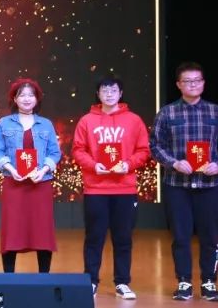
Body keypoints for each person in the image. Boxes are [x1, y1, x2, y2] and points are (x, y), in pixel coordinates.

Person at [151, 62, 218, 302]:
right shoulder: (167, 113)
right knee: (180, 236)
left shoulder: (217, 112)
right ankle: (184, 282)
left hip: (209, 186)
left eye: (197, 80)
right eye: (187, 81)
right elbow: (155, 145)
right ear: (179, 85)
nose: (193, 85)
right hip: (177, 185)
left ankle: (209, 282)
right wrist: (174, 162)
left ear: (203, 83)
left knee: (210, 236)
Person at [72, 76, 150, 300]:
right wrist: (94, 165)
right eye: (104, 90)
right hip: (96, 189)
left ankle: (122, 282)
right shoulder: (87, 121)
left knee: (123, 238)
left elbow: (143, 150)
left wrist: (128, 164)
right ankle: (90, 281)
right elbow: (78, 150)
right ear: (98, 94)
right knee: (94, 237)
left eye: (113, 90)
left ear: (120, 93)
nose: (109, 94)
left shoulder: (134, 120)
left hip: (125, 189)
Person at [0, 78, 61, 274]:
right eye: (22, 95)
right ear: (15, 98)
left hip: (40, 184)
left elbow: (55, 153)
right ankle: (8, 278)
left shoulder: (46, 124)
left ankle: (44, 277)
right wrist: (11, 169)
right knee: (12, 230)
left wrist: (43, 170)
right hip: (14, 183)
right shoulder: (5, 123)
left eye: (31, 95)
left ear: (37, 99)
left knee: (42, 231)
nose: (27, 99)